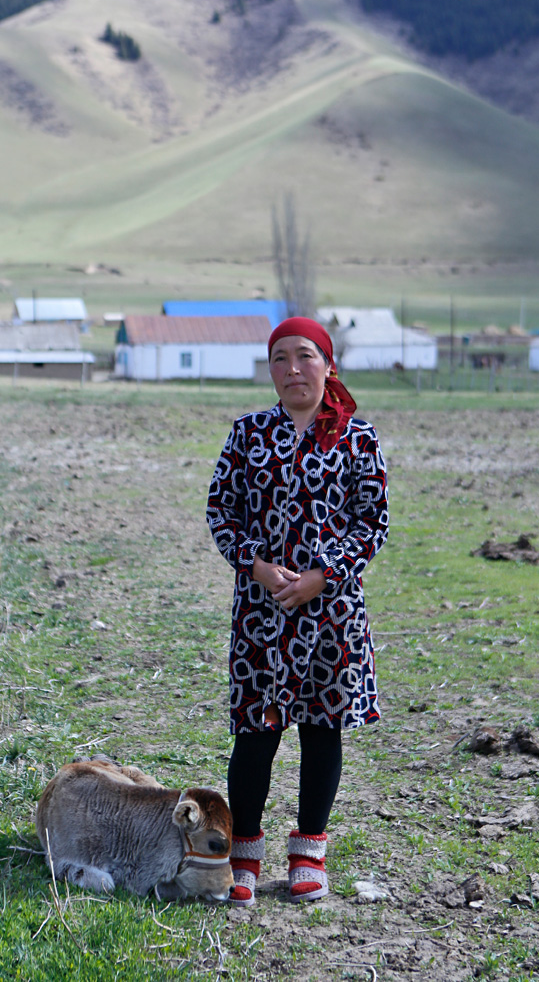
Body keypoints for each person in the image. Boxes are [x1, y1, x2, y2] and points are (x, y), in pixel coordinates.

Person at [206, 316, 389, 905]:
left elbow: (372, 523)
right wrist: (256, 565)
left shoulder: (358, 440)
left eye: (305, 356)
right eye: (279, 358)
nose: (291, 369)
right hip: (261, 614)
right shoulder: (248, 434)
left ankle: (309, 852)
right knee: (255, 736)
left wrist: (322, 576)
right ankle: (245, 855)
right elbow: (221, 511)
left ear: (327, 365)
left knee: (321, 730)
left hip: (332, 615)